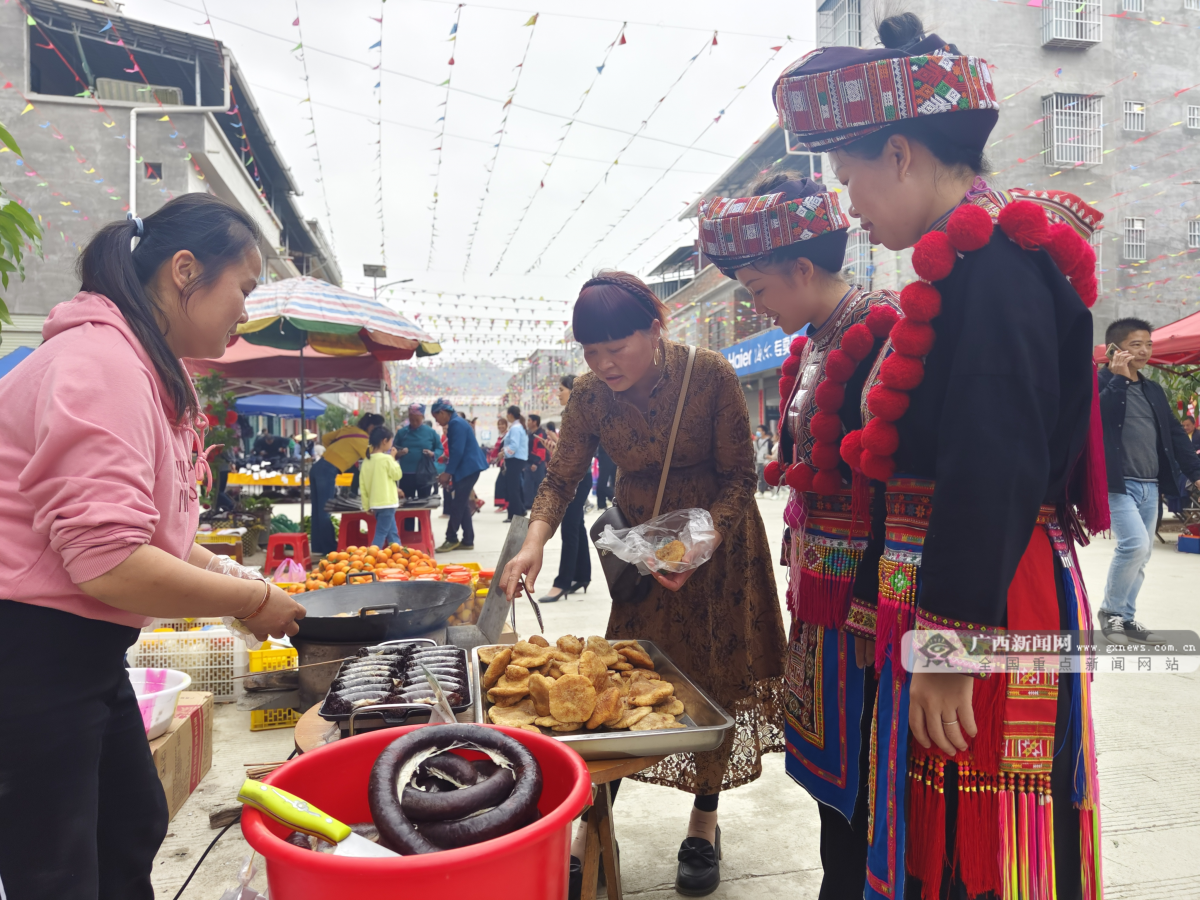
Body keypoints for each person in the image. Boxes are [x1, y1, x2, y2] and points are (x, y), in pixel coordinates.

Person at [774, 13, 1110, 898]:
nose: (850, 203)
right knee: (937, 822)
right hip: (961, 590)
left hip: (988, 598)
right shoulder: (965, 264)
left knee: (977, 835)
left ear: (900, 156)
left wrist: (952, 642)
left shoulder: (995, 263)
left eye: (851, 177)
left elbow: (995, 459)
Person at [0, 194, 307, 899]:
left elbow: (143, 532)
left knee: (129, 823)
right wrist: (250, 598)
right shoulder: (101, 364)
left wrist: (229, 572)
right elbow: (108, 562)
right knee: (59, 870)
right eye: (245, 288)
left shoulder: (138, 363)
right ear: (184, 270)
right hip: (28, 653)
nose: (245, 311)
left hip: (82, 650)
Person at [500, 271, 786, 896]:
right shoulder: (590, 396)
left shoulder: (709, 375)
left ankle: (703, 824)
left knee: (711, 680)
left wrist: (700, 545)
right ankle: (591, 822)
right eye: (591, 353)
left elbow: (743, 478)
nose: (603, 365)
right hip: (640, 553)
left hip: (717, 551)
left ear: (655, 330)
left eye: (616, 349)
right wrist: (531, 547)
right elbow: (560, 479)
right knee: (615, 685)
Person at [699, 170, 899, 899]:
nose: (756, 305)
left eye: (757, 290)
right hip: (821, 602)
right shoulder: (819, 340)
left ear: (803, 269)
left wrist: (882, 599)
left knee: (872, 781)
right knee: (833, 783)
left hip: (865, 607)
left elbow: (901, 493)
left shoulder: (883, 335)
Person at [1098, 318, 1200, 642]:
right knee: (1135, 545)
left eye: (1148, 344)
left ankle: (1127, 617)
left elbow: (1175, 435)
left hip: (1150, 485)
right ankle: (1110, 613)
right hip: (1118, 483)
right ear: (1114, 348)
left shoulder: (1153, 389)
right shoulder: (1100, 382)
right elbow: (1098, 417)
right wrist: (1117, 379)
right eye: (1135, 345)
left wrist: (1196, 476)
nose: (1144, 351)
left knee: (1143, 554)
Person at [539, 375, 593, 603]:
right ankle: (582, 576)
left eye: (561, 389)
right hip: (579, 476)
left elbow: (581, 453)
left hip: (577, 479)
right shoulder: (571, 416)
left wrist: (557, 449)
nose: (558, 394)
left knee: (569, 528)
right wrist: (556, 447)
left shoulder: (577, 415)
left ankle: (562, 583)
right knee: (577, 525)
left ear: (573, 391)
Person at [311, 412, 382, 554]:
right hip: (327, 471)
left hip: (318, 467)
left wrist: (335, 452)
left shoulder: (349, 429)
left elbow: (325, 438)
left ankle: (318, 546)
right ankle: (328, 548)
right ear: (372, 427)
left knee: (318, 510)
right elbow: (373, 458)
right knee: (326, 510)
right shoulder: (363, 439)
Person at [432, 398, 489, 552]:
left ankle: (451, 538)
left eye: (436, 417)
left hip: (468, 469)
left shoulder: (456, 424)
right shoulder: (457, 422)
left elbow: (457, 452)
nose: (437, 422)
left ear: (442, 412)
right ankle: (468, 540)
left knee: (457, 505)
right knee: (462, 504)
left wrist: (447, 473)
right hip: (466, 468)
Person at [360, 425, 403, 549]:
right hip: (387, 502)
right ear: (385, 441)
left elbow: (363, 486)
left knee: (391, 533)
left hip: (376, 504)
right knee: (382, 533)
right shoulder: (386, 459)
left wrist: (366, 505)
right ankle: (372, 556)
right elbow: (397, 475)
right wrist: (393, 458)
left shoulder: (367, 461)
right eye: (391, 441)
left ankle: (398, 554)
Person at [394, 403, 441, 503]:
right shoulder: (402, 432)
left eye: (417, 420)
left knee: (424, 503)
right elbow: (392, 450)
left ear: (423, 417)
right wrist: (399, 453)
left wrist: (433, 454)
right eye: (411, 419)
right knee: (406, 504)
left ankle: (423, 519)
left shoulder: (430, 432)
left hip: (425, 474)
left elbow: (439, 449)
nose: (414, 423)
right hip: (406, 474)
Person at [501, 405, 530, 522]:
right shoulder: (518, 427)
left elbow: (514, 445)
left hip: (515, 459)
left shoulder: (515, 428)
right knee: (515, 487)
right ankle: (519, 510)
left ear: (510, 414)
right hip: (517, 459)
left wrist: (504, 453)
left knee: (512, 488)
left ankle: (514, 514)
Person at [488, 416, 509, 512]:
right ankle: (504, 504)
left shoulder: (507, 435)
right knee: (503, 483)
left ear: (506, 425)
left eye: (502, 424)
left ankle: (504, 504)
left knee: (501, 483)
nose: (500, 426)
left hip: (506, 462)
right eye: (499, 424)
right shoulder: (501, 436)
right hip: (501, 463)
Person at [527, 413, 548, 506]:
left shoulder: (540, 433)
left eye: (529, 420)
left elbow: (541, 450)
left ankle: (540, 504)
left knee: (539, 484)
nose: (527, 422)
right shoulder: (529, 433)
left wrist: (536, 463)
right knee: (528, 485)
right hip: (528, 463)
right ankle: (529, 503)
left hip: (538, 463)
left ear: (535, 422)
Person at [753, 424, 773, 495]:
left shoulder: (768, 441)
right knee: (759, 476)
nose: (757, 432)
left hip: (766, 461)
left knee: (764, 477)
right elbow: (755, 450)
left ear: (763, 432)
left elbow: (772, 451)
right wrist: (755, 441)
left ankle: (763, 491)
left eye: (759, 430)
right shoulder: (757, 440)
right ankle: (761, 490)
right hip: (758, 461)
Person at [594, 443, 616, 510]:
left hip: (616, 453)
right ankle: (602, 503)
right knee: (603, 480)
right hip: (605, 453)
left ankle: (615, 499)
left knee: (615, 479)